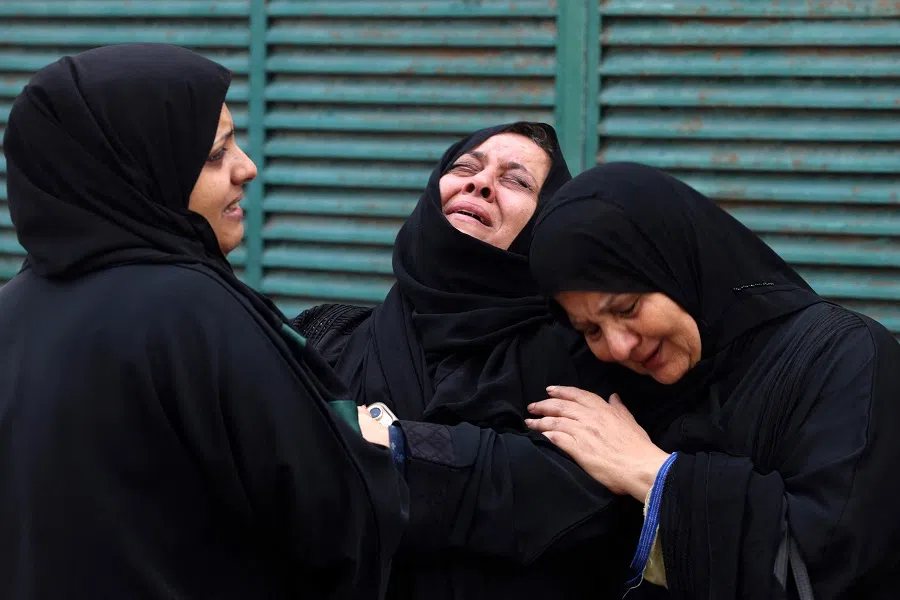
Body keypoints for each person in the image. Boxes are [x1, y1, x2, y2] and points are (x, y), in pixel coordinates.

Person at [0, 43, 407, 599]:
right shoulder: (192, 312)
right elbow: (332, 517)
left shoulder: (14, 311)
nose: (248, 168)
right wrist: (375, 450)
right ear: (140, 169)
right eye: (216, 154)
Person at [293, 125, 640, 599]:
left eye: (516, 181)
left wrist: (394, 446)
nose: (480, 183)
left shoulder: (582, 354)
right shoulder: (327, 336)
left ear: (548, 221)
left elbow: (584, 496)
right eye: (465, 168)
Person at [524, 162, 900, 598]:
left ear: (679, 265)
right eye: (591, 330)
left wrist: (651, 472)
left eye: (627, 308)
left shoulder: (844, 359)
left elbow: (831, 569)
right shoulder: (614, 389)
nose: (619, 345)